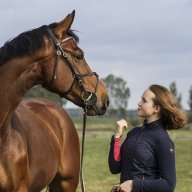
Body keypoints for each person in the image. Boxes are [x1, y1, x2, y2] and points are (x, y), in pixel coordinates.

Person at [108, 84, 188, 192]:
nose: (139, 103)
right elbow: (115, 168)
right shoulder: (133, 133)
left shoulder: (163, 140)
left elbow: (168, 184)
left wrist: (133, 185)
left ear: (156, 108)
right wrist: (117, 136)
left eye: (144, 101)